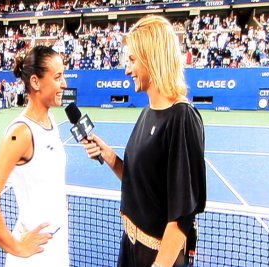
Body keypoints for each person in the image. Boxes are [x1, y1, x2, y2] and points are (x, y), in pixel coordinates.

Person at [82, 15, 206, 267]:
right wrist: (110, 158)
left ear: (153, 57)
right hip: (130, 245)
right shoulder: (147, 113)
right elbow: (143, 186)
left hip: (158, 257)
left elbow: (182, 215)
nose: (127, 70)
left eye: (132, 60)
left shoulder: (182, 118)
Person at [0, 45, 69, 266]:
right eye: (57, 77)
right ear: (35, 82)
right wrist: (17, 247)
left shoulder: (51, 121)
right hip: (35, 257)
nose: (64, 84)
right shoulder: (20, 133)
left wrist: (57, 204)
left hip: (56, 244)